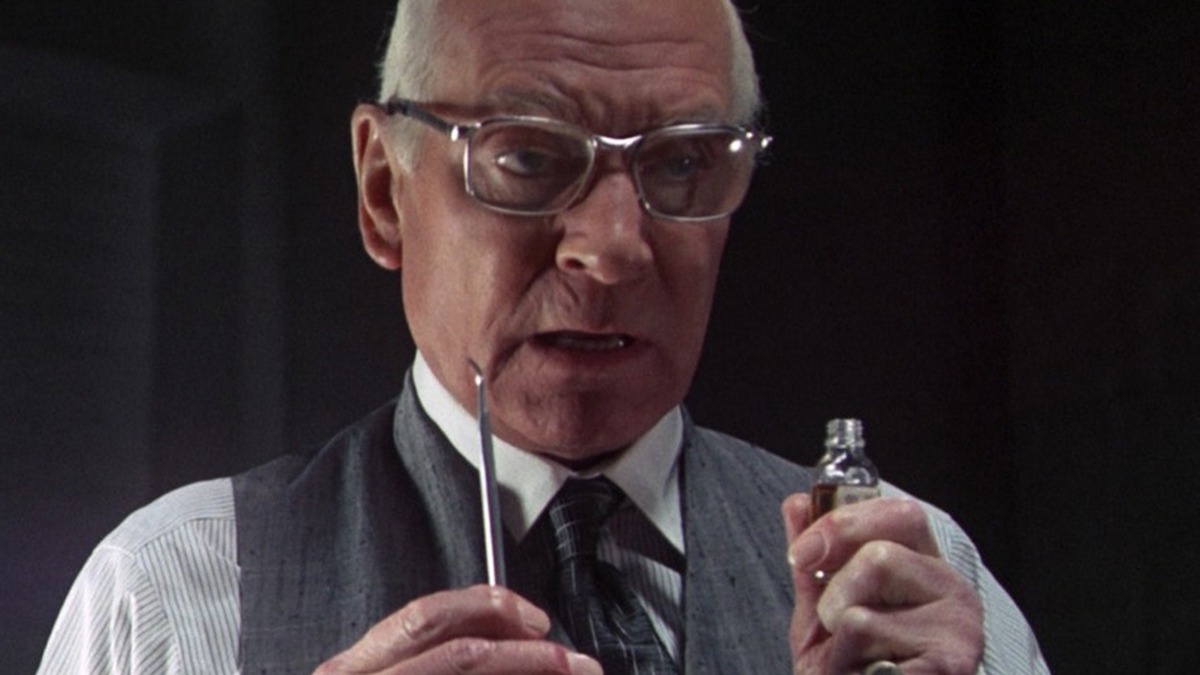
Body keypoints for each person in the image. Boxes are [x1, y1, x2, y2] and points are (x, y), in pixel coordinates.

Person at [38, 0, 1050, 673]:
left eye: (683, 163)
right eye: (526, 158)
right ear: (385, 191)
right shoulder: (168, 597)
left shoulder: (926, 591)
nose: (612, 250)